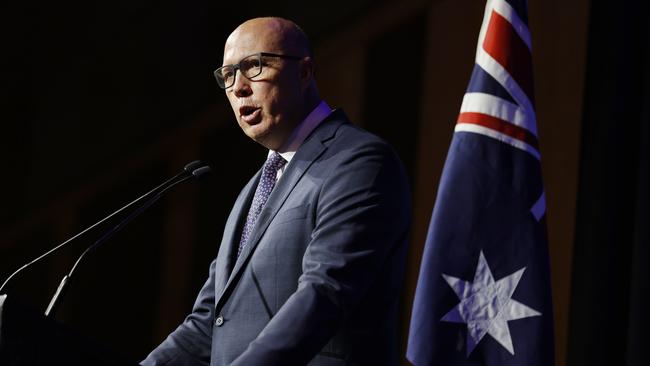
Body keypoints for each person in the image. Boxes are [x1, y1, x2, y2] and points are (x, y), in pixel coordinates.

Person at [142, 17, 411, 366]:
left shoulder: (357, 160)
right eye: (227, 75)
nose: (238, 87)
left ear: (304, 72)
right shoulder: (252, 192)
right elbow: (207, 323)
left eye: (254, 66)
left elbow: (324, 293)